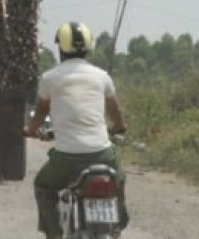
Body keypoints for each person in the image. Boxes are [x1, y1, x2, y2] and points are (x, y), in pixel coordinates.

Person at [23, 21, 129, 239]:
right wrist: (118, 127)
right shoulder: (102, 76)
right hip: (103, 153)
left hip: (67, 158)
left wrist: (30, 130)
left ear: (60, 49)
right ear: (88, 48)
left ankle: (54, 234)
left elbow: (41, 113)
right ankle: (117, 226)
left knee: (43, 186)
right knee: (117, 179)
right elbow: (115, 111)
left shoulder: (50, 78)